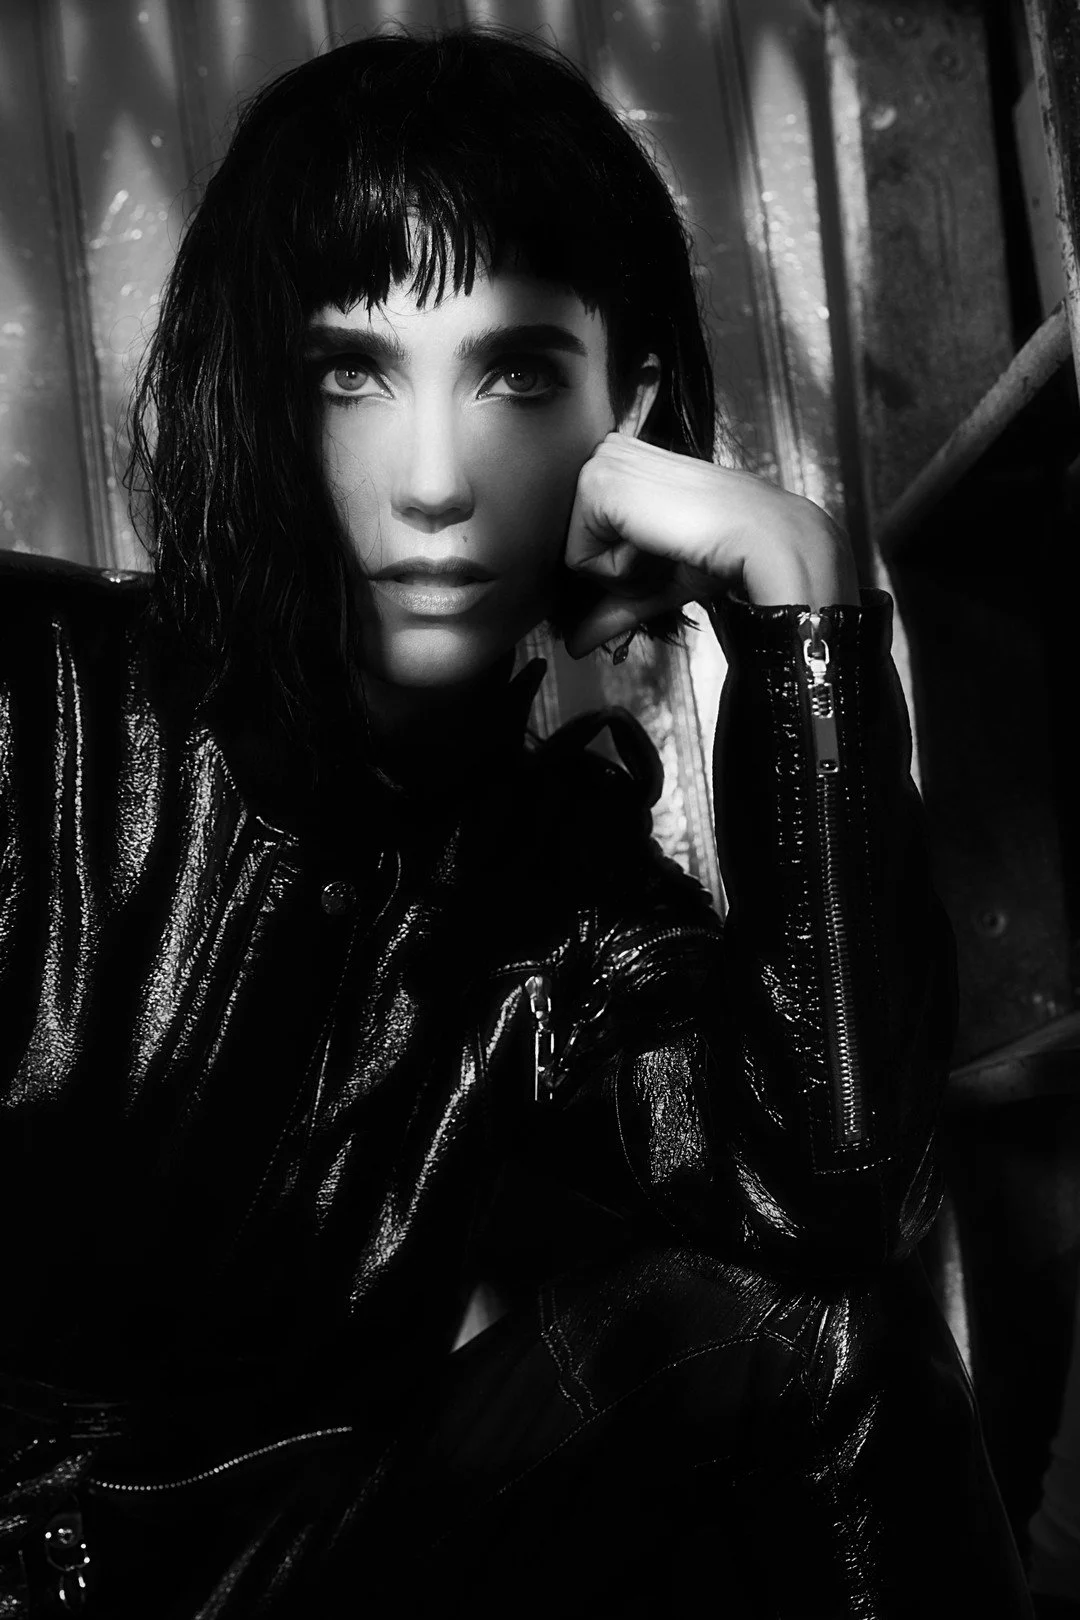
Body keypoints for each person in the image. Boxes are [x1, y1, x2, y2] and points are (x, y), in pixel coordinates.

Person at [0, 25, 1031, 1618]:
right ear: (254, 394)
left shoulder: (564, 897)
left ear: (629, 416)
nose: (433, 481)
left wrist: (800, 599)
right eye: (350, 371)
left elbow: (834, 1205)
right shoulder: (30, 696)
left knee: (826, 1327)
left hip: (311, 1577)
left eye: (518, 373)